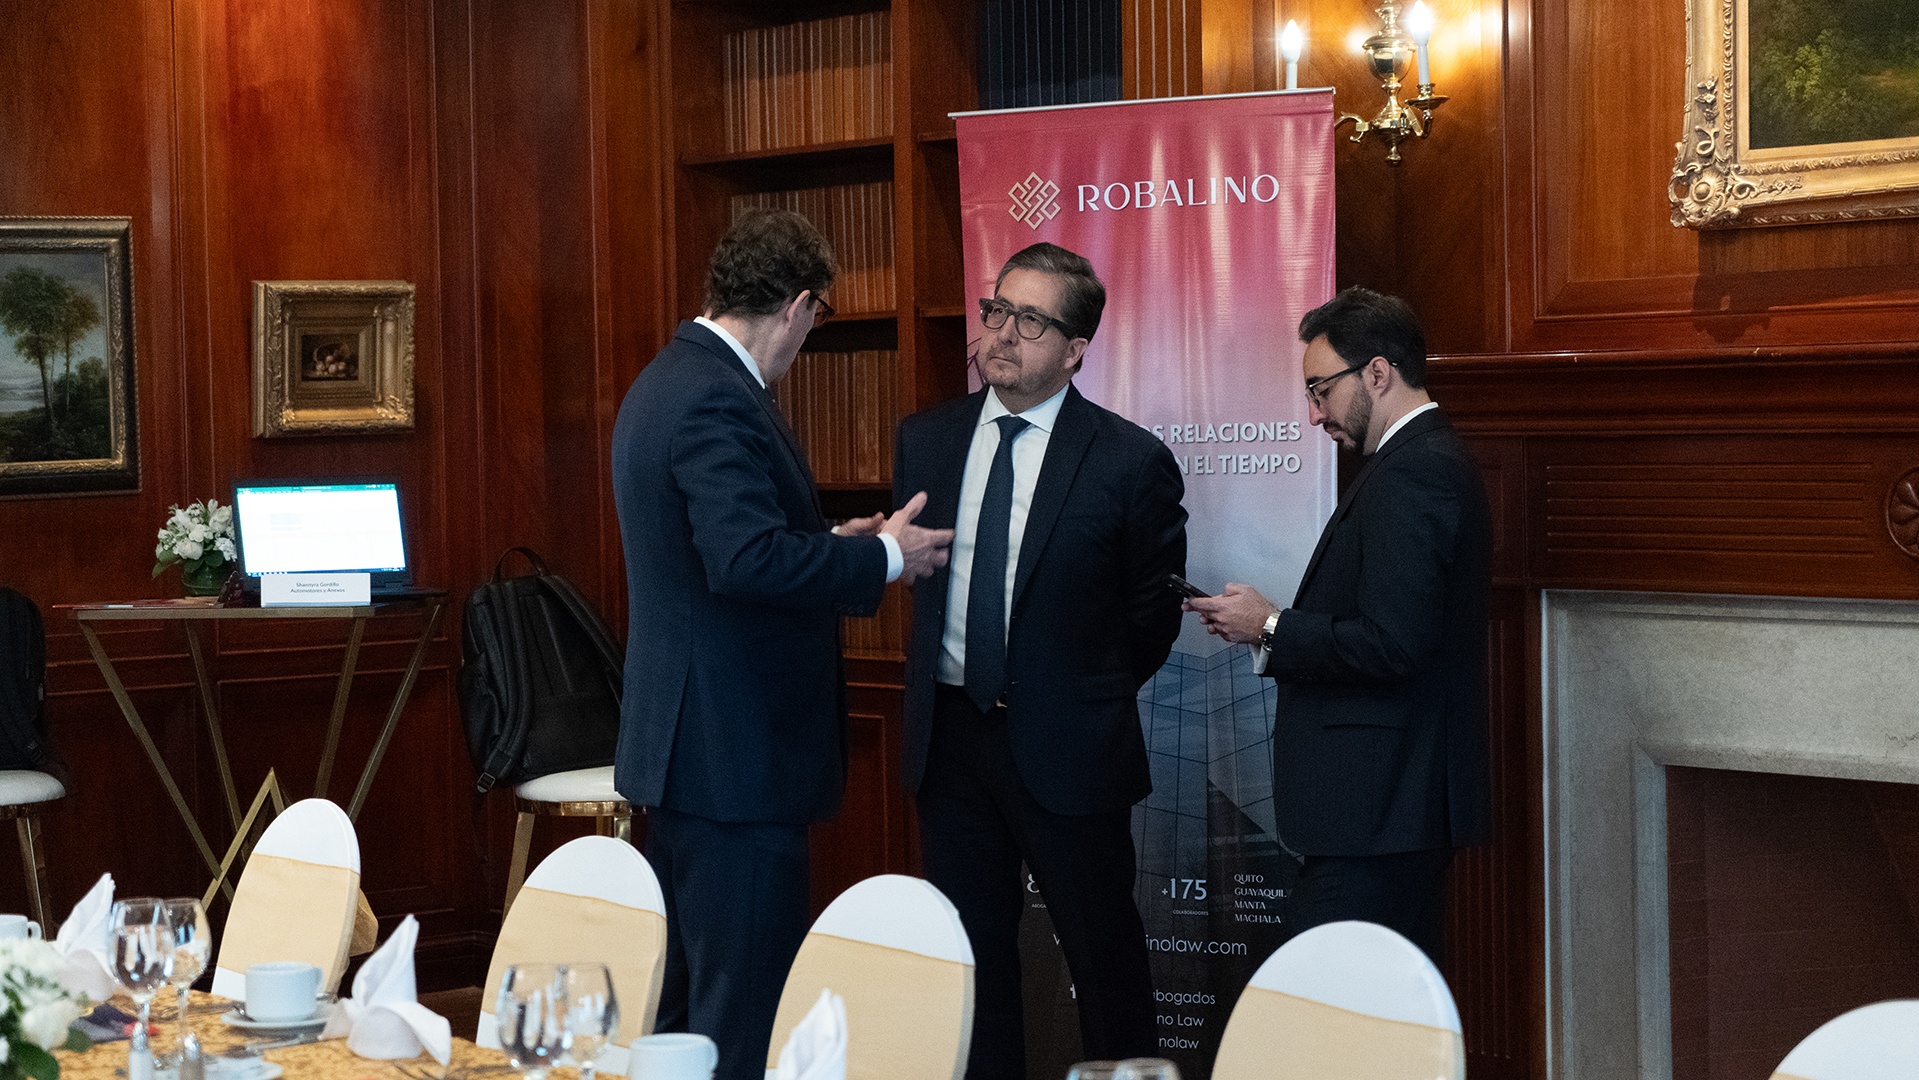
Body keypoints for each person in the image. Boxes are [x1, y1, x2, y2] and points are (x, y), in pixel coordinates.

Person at [610, 208, 952, 1080]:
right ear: (799, 304)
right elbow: (744, 562)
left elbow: (719, 554)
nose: (808, 337)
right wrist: (883, 556)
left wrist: (835, 544)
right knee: (742, 1016)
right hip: (734, 755)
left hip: (695, 754)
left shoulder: (668, 379)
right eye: (817, 317)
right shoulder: (716, 396)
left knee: (686, 1018)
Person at [893, 242, 1188, 1078]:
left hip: (1069, 743)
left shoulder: (1128, 460)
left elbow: (1148, 619)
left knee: (1103, 957)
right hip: (950, 742)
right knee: (971, 961)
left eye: (1030, 320)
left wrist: (1075, 695)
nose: (1001, 333)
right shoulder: (926, 438)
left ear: (1074, 349)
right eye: (997, 310)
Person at [1184, 286, 1491, 963]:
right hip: (1380, 812)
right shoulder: (1409, 465)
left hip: (1381, 813)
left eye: (1320, 389)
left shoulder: (1415, 472)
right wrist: (1268, 625)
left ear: (1377, 372)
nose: (1314, 412)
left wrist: (1270, 625)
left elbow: (1394, 643)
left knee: (1328, 1005)